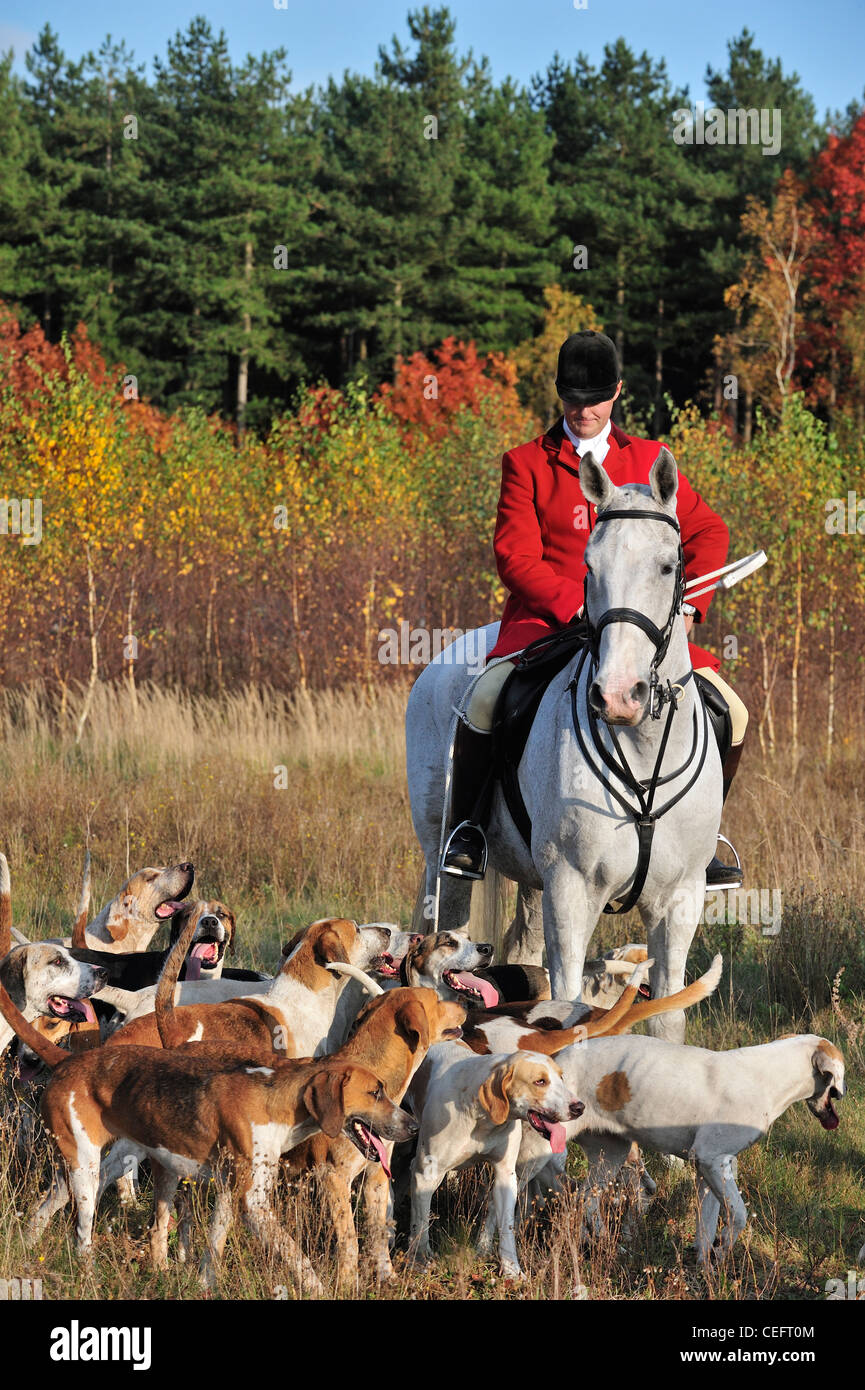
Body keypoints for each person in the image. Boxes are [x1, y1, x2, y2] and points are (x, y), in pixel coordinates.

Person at [441, 330, 747, 888]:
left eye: (596, 399)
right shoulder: (526, 463)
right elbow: (515, 557)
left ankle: (705, 838)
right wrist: (579, 608)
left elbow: (708, 532)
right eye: (573, 399)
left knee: (733, 712)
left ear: (618, 392)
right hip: (548, 624)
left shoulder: (650, 459)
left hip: (638, 632)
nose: (584, 411)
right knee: (485, 699)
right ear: (559, 394)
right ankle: (469, 830)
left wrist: (689, 606)